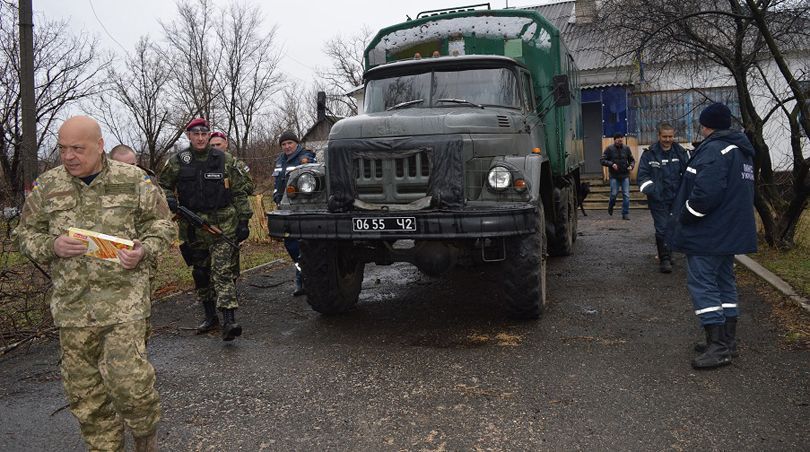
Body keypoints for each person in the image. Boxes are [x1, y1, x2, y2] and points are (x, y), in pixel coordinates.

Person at [14, 116, 176, 451]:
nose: (69, 156)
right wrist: (51, 246)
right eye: (63, 149)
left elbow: (163, 225)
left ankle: (146, 439)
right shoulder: (48, 186)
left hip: (123, 305)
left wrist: (144, 250)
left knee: (131, 388)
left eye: (78, 148)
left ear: (99, 146)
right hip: (73, 310)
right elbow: (25, 235)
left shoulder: (133, 181)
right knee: (86, 397)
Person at [668, 102, 756, 370]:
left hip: (708, 234)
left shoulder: (715, 151)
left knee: (704, 286)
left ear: (706, 126)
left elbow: (705, 195)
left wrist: (686, 215)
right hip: (728, 233)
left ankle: (717, 347)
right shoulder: (741, 151)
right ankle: (727, 342)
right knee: (724, 285)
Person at [159, 118, 254, 341]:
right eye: (196, 134)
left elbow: (240, 192)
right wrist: (170, 199)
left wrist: (243, 221)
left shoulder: (224, 160)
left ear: (208, 135)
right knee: (201, 272)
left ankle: (230, 320)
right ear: (188, 135)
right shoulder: (178, 161)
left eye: (204, 133)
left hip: (222, 225)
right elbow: (162, 185)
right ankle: (210, 316)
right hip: (192, 227)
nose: (200, 138)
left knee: (222, 271)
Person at [637, 123, 690, 273]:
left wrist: (684, 193)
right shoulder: (649, 154)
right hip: (658, 200)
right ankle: (664, 259)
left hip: (677, 199)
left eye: (670, 136)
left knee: (673, 227)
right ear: (659, 136)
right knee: (661, 228)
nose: (668, 139)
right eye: (665, 136)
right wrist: (654, 191)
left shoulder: (681, 152)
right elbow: (642, 177)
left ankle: (669, 251)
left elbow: (689, 174)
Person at [273, 130, 316, 296]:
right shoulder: (280, 160)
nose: (287, 147)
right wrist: (276, 196)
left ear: (296, 143)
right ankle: (302, 273)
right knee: (290, 243)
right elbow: (277, 182)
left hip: (303, 207)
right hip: (285, 207)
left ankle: (302, 279)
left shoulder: (306, 157)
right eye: (283, 144)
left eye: (289, 143)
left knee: (304, 243)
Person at [600, 132, 635, 220]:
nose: (620, 140)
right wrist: (611, 164)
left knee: (626, 195)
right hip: (614, 176)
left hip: (625, 175)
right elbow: (602, 160)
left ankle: (625, 213)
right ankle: (611, 206)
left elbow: (632, 160)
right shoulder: (609, 149)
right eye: (618, 138)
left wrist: (631, 166)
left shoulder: (626, 149)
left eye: (621, 138)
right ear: (614, 140)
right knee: (614, 194)